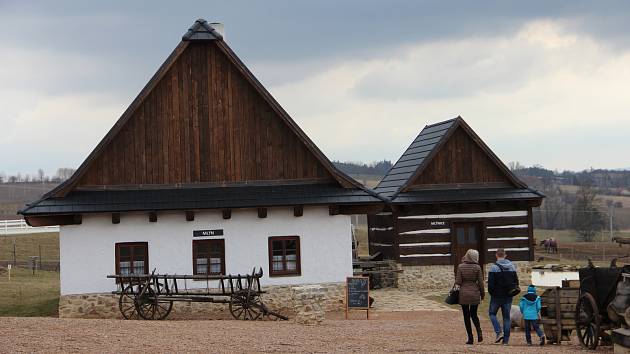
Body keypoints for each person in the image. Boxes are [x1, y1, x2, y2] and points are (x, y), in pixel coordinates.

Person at [488, 248, 518, 345]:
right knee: (506, 318)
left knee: (492, 314)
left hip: (496, 295)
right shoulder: (512, 267)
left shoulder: (493, 268)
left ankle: (498, 332)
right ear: (505, 255)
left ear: (496, 255)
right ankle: (506, 341)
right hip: (508, 295)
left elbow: (491, 285)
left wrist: (492, 293)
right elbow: (516, 282)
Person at [455, 249, 484, 345]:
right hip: (474, 293)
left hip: (463, 294)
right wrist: (482, 294)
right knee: (474, 314)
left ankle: (470, 338)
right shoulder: (477, 267)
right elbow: (480, 283)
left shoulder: (460, 266)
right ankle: (479, 331)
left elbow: (458, 281)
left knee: (466, 316)